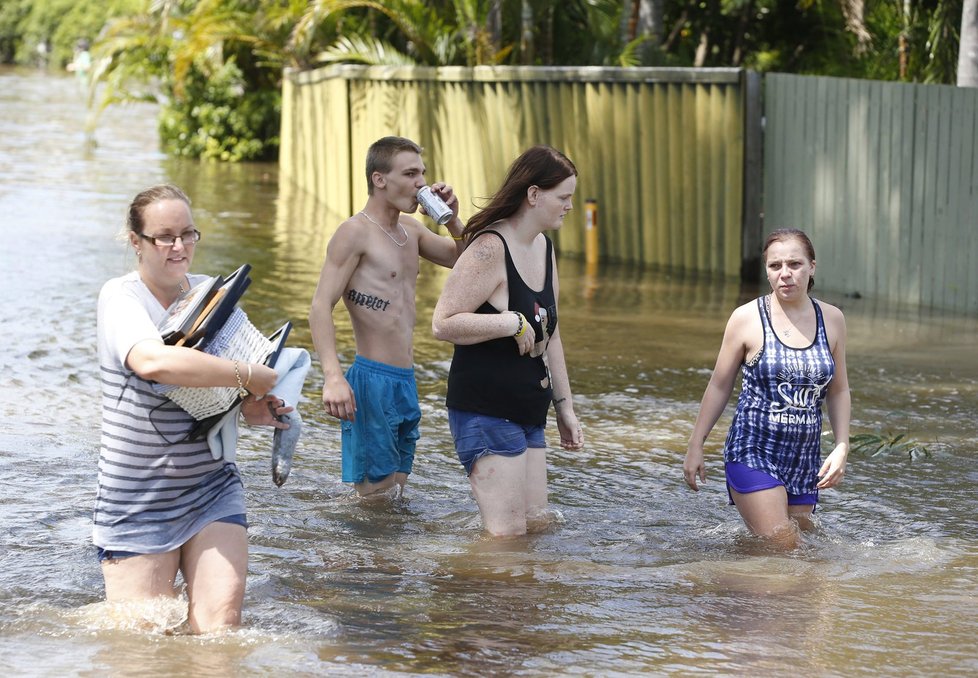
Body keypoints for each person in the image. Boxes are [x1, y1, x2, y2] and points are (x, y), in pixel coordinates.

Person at [95, 184, 292, 633]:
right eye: (164, 236)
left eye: (188, 234)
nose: (179, 246)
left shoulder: (208, 292)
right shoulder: (121, 298)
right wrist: (245, 374)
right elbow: (153, 361)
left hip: (211, 485)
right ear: (136, 241)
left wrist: (250, 406)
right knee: (143, 646)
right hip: (138, 497)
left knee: (220, 630)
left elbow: (232, 381)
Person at [431, 145, 585, 537]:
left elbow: (552, 332)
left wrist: (564, 407)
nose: (569, 206)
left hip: (530, 412)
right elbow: (443, 322)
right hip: (485, 409)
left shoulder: (544, 249)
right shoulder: (488, 248)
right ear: (533, 195)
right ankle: (472, 595)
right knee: (506, 538)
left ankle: (512, 600)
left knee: (535, 527)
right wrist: (508, 323)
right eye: (563, 197)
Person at [309, 136, 466, 498]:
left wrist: (453, 220)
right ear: (380, 179)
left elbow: (465, 259)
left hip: (404, 380)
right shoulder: (354, 233)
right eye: (410, 174)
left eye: (422, 174)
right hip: (371, 381)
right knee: (375, 498)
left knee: (394, 495)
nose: (421, 184)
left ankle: (386, 558)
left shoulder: (410, 231)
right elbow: (320, 306)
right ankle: (357, 555)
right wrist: (333, 377)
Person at [683, 228, 851, 548]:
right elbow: (720, 384)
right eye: (775, 266)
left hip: (804, 456)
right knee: (784, 545)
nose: (785, 274)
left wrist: (842, 444)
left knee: (796, 549)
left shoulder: (832, 319)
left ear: (812, 267)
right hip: (753, 449)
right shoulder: (746, 318)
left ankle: (741, 594)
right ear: (767, 270)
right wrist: (696, 444)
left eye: (794, 264)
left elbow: (839, 389)